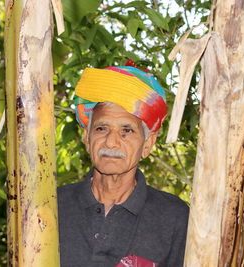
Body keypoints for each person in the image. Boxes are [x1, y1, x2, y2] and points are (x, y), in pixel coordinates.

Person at [57, 64, 189, 267]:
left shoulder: (174, 217)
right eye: (101, 128)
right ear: (86, 137)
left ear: (147, 144)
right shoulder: (52, 206)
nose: (111, 142)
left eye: (126, 131)